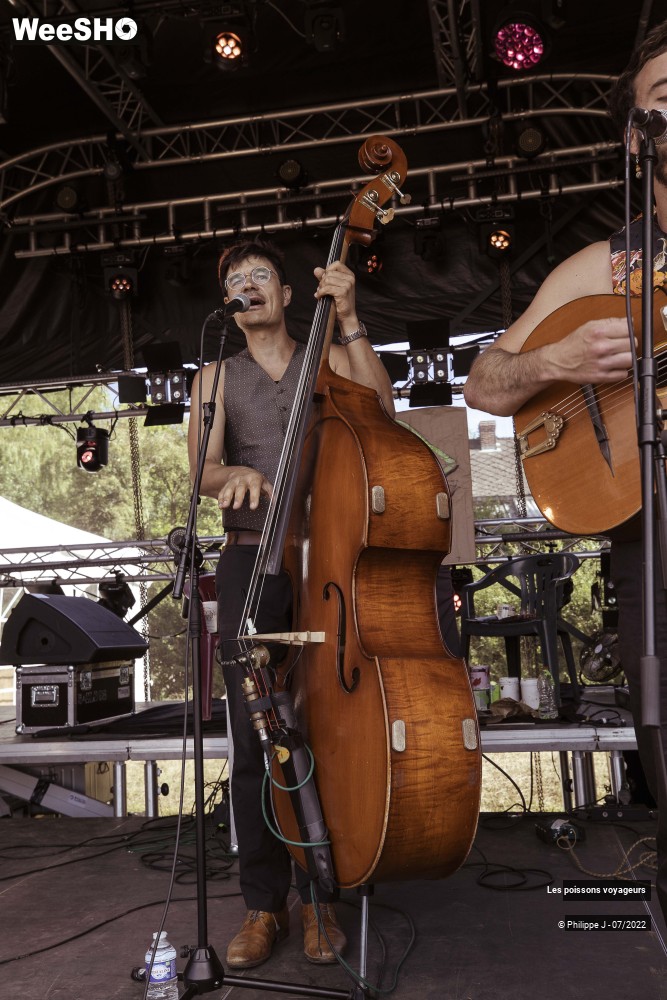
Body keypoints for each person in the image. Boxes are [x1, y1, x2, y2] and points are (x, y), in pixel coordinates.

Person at [463, 23, 667, 924]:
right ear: (634, 135)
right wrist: (559, 364)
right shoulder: (602, 265)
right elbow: (484, 381)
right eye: (663, 100)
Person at [188, 237, 395, 969]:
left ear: (283, 293)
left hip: (328, 551)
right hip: (251, 555)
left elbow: (383, 411)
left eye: (260, 277)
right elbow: (203, 471)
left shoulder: (326, 357)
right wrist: (232, 474)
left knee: (328, 725)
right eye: (234, 280)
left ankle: (321, 899)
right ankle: (261, 906)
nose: (246, 287)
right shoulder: (215, 373)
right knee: (255, 738)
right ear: (230, 303)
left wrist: (349, 316)